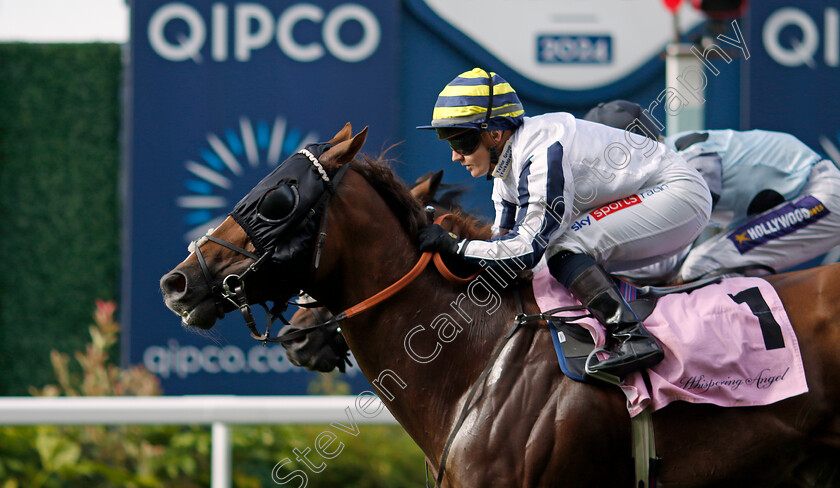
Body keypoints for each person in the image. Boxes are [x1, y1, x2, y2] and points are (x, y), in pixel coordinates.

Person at [416, 68, 712, 377]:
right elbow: (502, 254)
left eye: (462, 141)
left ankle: (632, 337)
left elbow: (524, 251)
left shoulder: (541, 152)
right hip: (662, 198)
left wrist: (454, 245)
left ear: (495, 133)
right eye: (446, 140)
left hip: (679, 193)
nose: (454, 156)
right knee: (552, 260)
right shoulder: (506, 174)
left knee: (561, 248)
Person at [584, 99, 840, 283]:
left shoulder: (689, 160)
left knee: (701, 265)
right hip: (803, 193)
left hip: (822, 193)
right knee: (702, 264)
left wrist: (592, 270)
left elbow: (667, 260)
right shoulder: (665, 160)